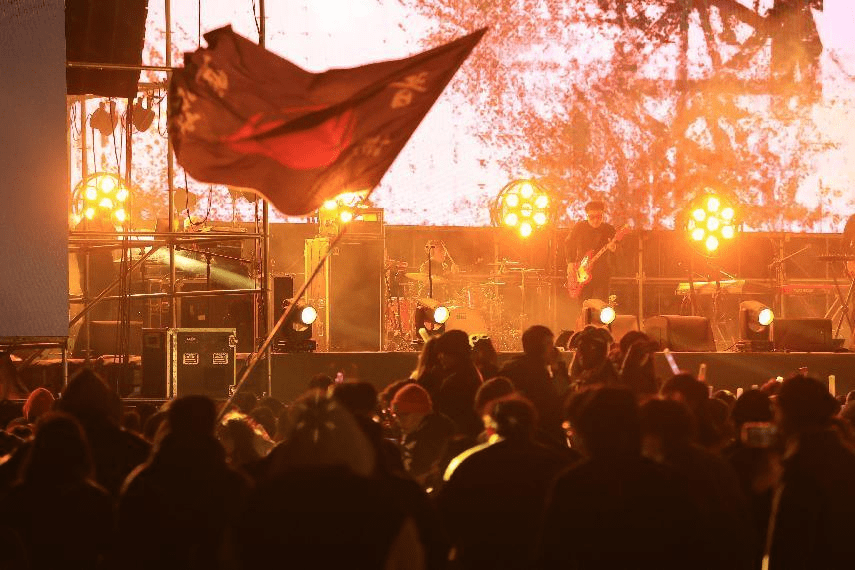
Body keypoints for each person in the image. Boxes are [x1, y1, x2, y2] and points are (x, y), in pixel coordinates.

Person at [765, 375, 855, 570]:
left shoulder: (801, 468)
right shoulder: (844, 456)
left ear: (789, 413)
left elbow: (789, 548)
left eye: (776, 410)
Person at [564, 200, 616, 304]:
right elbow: (569, 243)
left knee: (602, 304)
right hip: (582, 271)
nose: (595, 220)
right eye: (592, 217)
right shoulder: (579, 227)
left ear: (603, 215)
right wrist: (570, 262)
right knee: (584, 303)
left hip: (601, 272)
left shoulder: (609, 229)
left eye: (599, 217)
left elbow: (619, 249)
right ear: (587, 215)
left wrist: (614, 248)